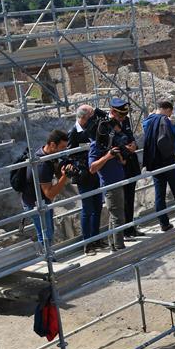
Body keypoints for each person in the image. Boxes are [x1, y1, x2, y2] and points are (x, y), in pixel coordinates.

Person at [143, 100, 175, 230]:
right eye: (170, 112)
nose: (170, 115)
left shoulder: (147, 121)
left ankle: (164, 222)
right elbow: (171, 137)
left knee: (159, 193)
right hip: (167, 160)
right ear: (167, 109)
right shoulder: (164, 120)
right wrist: (171, 151)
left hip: (154, 162)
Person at [88, 107, 130, 252]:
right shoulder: (96, 145)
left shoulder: (110, 144)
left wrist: (119, 156)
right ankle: (118, 247)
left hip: (118, 181)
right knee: (117, 216)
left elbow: (122, 161)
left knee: (116, 215)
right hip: (110, 184)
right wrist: (108, 156)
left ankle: (113, 244)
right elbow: (92, 168)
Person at [21, 129, 72, 245]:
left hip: (40, 200)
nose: (64, 151)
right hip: (35, 203)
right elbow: (50, 193)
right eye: (62, 147)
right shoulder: (42, 165)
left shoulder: (45, 153)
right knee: (45, 235)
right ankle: (48, 259)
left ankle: (49, 257)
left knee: (48, 232)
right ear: (53, 145)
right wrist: (65, 177)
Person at [68, 104, 106, 254]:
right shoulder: (73, 132)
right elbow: (70, 155)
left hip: (95, 172)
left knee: (97, 207)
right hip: (84, 176)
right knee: (87, 209)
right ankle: (88, 243)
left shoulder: (91, 128)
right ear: (84, 118)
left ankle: (96, 238)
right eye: (90, 116)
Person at [107, 97, 143, 240]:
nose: (123, 118)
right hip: (118, 164)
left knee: (130, 197)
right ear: (112, 112)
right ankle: (122, 231)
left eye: (124, 115)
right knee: (119, 200)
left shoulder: (125, 120)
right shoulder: (106, 125)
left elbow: (129, 136)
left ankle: (130, 227)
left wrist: (133, 144)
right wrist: (126, 149)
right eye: (120, 115)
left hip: (130, 163)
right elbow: (111, 146)